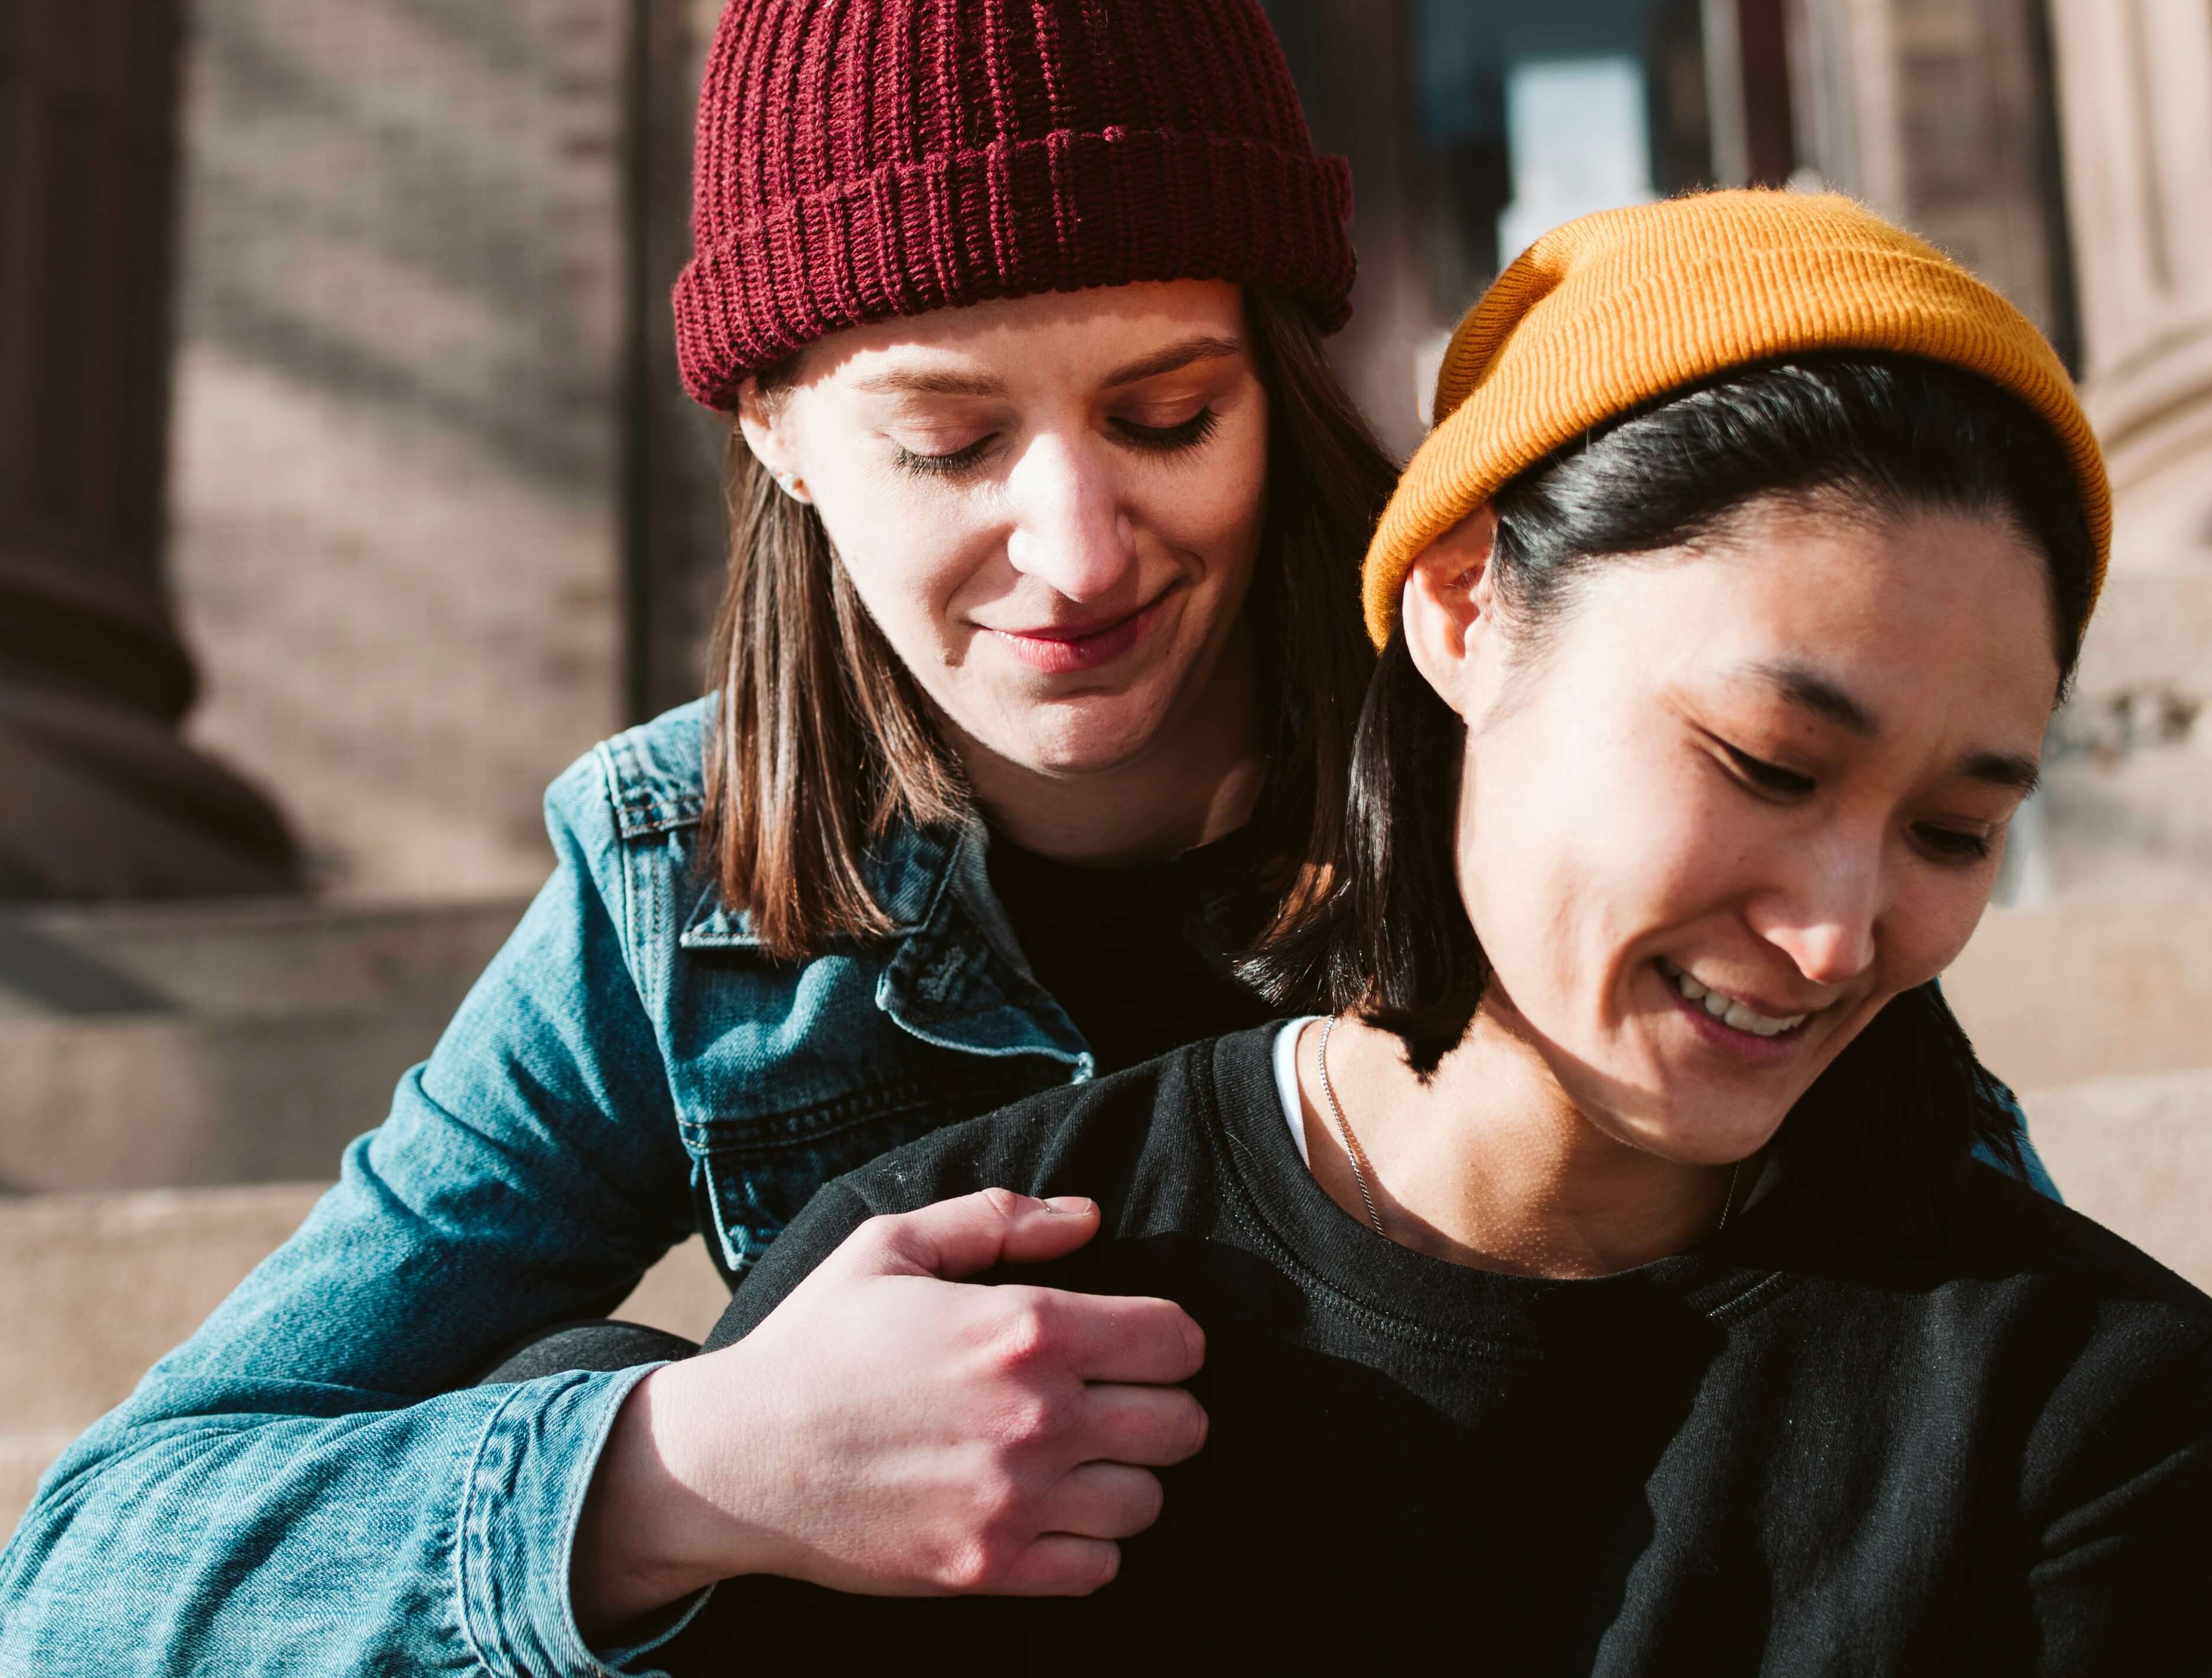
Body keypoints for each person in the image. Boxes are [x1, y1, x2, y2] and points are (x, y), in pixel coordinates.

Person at [608, 193, 2212, 1674]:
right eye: (1764, 765)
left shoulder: (2082, 1404)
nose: (1839, 933)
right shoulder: (959, 1328)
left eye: (1950, 831)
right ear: (1467, 608)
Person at [0, 2, 1390, 1670]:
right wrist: (692, 1474)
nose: (1078, 551)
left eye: (1169, 416)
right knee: (566, 1393)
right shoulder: (683, 882)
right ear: (777, 432)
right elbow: (89, 1581)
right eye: (946, 441)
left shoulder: (1520, 759)